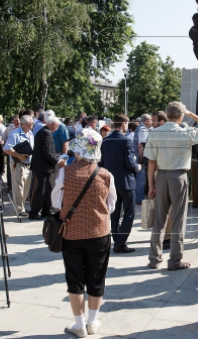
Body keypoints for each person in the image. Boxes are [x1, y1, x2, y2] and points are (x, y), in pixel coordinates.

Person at [51, 129, 116, 338]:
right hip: (99, 233)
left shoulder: (65, 172)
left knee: (75, 278)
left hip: (71, 233)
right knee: (97, 278)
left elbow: (56, 202)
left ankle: (79, 324)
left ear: (77, 149)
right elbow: (111, 206)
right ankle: (93, 321)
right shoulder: (105, 174)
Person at [145, 102, 198, 270]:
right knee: (178, 220)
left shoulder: (155, 133)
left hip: (160, 176)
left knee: (159, 220)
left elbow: (151, 162)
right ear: (181, 116)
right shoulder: (186, 132)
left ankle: (154, 258)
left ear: (167, 115)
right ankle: (175, 260)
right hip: (179, 176)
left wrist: (150, 185)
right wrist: (192, 115)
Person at [100, 114, 140, 253]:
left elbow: (102, 162)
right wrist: (137, 167)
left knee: (114, 213)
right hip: (126, 182)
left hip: (110, 182)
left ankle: (117, 239)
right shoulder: (125, 141)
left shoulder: (105, 141)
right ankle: (120, 242)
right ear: (123, 124)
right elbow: (129, 163)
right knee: (129, 212)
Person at [29, 113, 65, 220]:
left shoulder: (45, 132)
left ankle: (45, 210)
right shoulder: (46, 133)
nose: (57, 128)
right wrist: (57, 161)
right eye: (56, 126)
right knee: (41, 190)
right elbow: (47, 152)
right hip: (42, 167)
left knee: (47, 190)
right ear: (51, 124)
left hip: (43, 167)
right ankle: (34, 212)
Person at [4, 115, 34, 216]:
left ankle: (22, 206)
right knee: (18, 187)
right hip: (18, 163)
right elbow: (7, 148)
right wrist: (19, 156)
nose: (32, 125)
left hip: (29, 164)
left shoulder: (30, 133)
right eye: (31, 123)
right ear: (25, 124)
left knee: (26, 187)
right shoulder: (15, 134)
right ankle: (20, 209)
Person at [132, 114, 152, 205]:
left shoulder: (140, 128)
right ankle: (139, 199)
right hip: (140, 157)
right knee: (141, 178)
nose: (152, 122)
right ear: (145, 121)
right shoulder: (143, 129)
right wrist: (142, 157)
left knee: (139, 178)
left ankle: (138, 198)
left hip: (137, 156)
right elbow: (141, 145)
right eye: (150, 120)